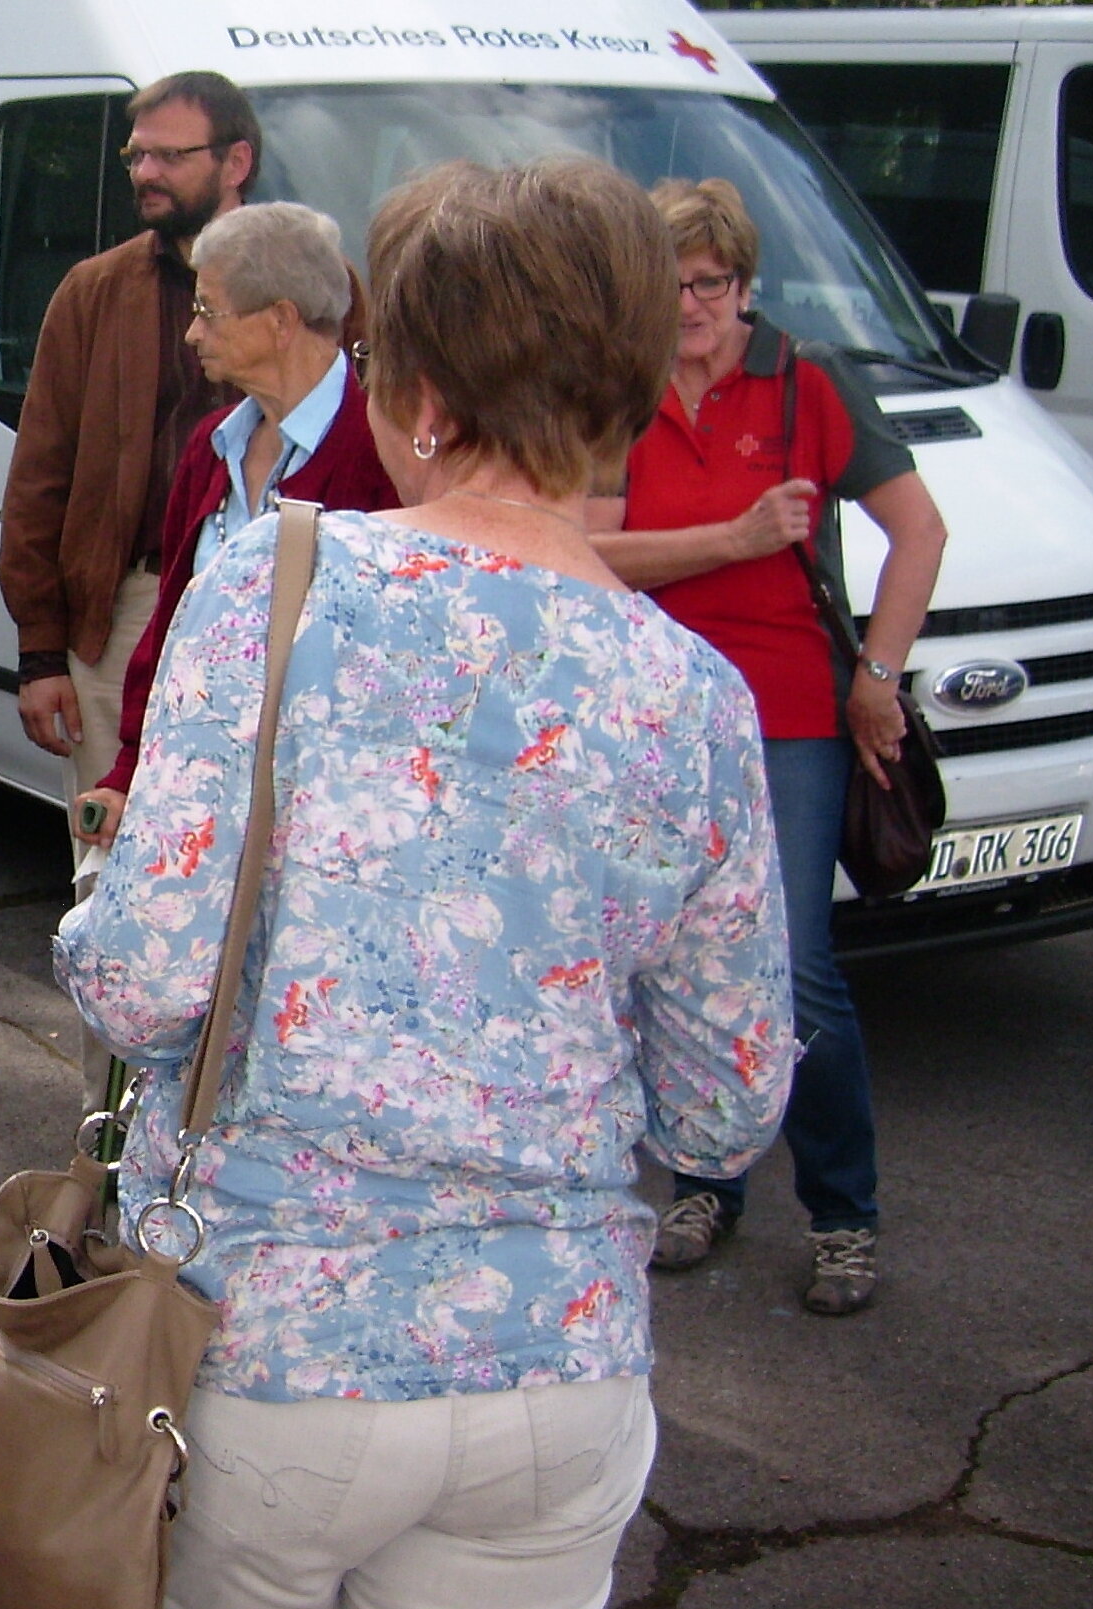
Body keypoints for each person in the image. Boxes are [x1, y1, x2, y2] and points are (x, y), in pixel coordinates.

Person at [56, 159, 795, 1608]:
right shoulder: (696, 694)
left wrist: (93, 906)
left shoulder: (281, 580)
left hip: (276, 1344)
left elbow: (148, 980)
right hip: (564, 1371)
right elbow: (728, 1107)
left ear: (424, 388)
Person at [592, 177, 950, 1317]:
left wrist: (877, 675)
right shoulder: (619, 390)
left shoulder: (805, 384)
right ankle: (707, 1181)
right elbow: (597, 556)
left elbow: (918, 532)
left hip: (790, 717)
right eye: (671, 282)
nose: (690, 305)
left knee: (791, 974)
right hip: (658, 713)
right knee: (677, 966)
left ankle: (843, 1212)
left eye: (710, 282)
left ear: (746, 285)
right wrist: (732, 537)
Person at [71, 201, 393, 839]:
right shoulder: (212, 445)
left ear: (280, 320)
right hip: (195, 793)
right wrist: (129, 772)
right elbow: (168, 629)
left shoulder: (379, 455)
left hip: (313, 815)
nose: (192, 333)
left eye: (207, 311)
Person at [0, 69, 256, 815]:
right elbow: (39, 479)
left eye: (170, 156)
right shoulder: (95, 292)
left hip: (262, 605)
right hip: (124, 609)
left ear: (235, 163)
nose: (146, 173)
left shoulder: (309, 287)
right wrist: (42, 655)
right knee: (107, 853)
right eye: (136, 157)